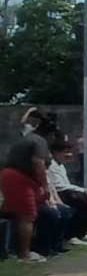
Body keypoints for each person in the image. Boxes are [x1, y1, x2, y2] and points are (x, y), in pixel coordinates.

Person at [2, 108, 53, 262]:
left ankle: (14, 248)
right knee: (27, 216)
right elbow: (38, 163)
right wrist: (45, 186)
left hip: (15, 176)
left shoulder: (27, 137)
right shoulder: (39, 141)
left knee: (14, 212)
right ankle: (24, 254)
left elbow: (23, 122)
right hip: (19, 177)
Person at [47, 140, 87, 245]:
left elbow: (66, 184)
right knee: (79, 199)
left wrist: (86, 192)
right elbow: (60, 186)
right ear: (55, 152)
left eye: (70, 152)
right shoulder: (51, 165)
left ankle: (81, 233)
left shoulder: (60, 165)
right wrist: (85, 191)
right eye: (65, 152)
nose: (69, 155)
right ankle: (71, 235)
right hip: (57, 194)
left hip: (65, 191)